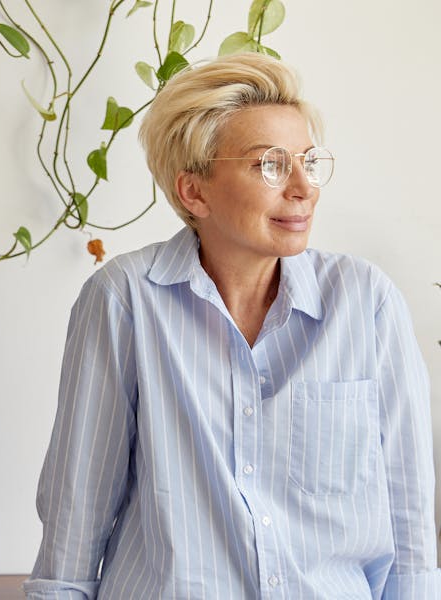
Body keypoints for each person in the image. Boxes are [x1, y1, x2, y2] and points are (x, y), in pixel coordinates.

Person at [23, 53, 441, 599]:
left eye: (309, 162)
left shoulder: (366, 304)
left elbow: (409, 526)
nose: (303, 188)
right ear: (194, 191)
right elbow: (77, 514)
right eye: (269, 164)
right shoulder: (124, 300)